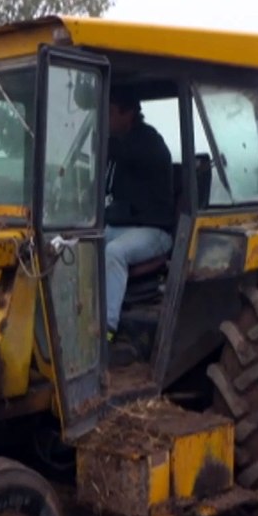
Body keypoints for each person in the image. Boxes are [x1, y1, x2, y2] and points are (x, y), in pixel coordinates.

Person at [102, 87, 175, 366]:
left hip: (154, 231)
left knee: (114, 253)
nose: (105, 118)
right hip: (124, 225)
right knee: (79, 243)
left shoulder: (147, 143)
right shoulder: (118, 144)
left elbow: (116, 151)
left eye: (108, 111)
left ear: (128, 113)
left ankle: (106, 332)